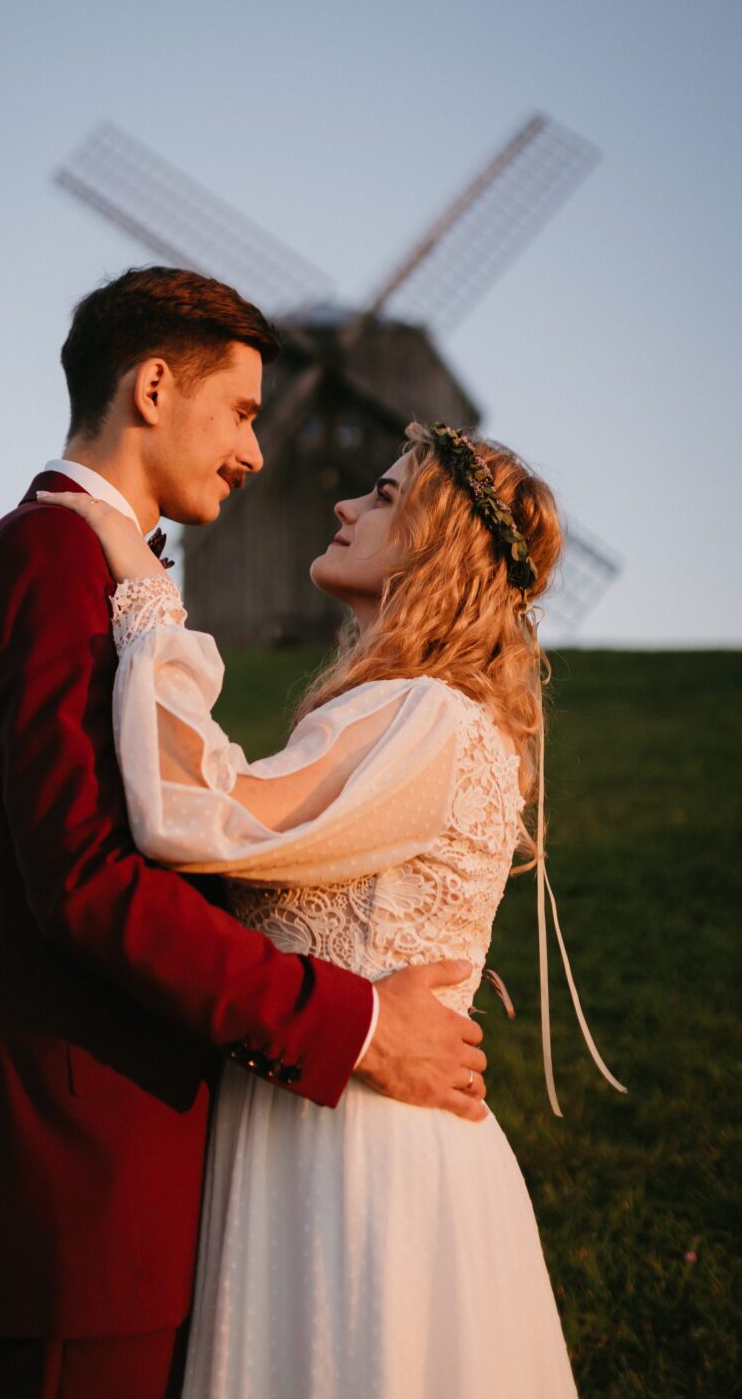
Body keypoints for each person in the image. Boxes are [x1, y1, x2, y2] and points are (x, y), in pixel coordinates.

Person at [0, 267, 489, 1399]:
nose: (258, 453)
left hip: (132, 1160)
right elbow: (87, 881)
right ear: (155, 388)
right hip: (83, 1165)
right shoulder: (51, 557)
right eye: (244, 412)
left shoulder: (97, 569)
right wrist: (357, 1025)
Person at [38, 418, 626, 1398]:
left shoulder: (424, 713)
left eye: (385, 496)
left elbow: (197, 813)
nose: (347, 505)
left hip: (355, 1152)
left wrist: (148, 605)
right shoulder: (442, 713)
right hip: (333, 1125)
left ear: (441, 545)